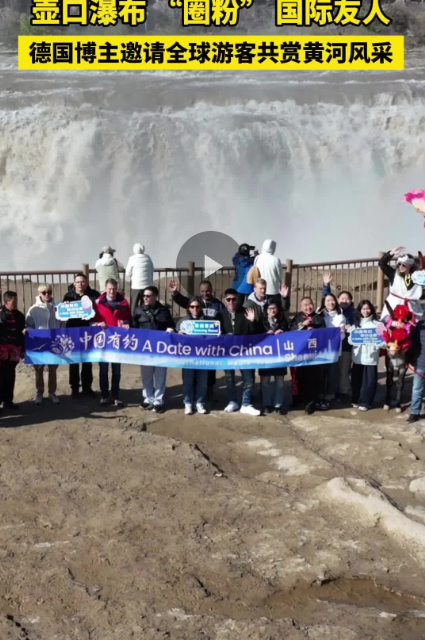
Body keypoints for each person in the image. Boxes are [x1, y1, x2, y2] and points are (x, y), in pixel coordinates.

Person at [168, 279, 224, 393]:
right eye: (202, 291)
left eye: (207, 291)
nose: (205, 293)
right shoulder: (196, 302)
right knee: (192, 366)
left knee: (210, 366)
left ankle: (209, 389)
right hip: (194, 341)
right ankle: (193, 389)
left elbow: (223, 320)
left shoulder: (218, 305)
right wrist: (175, 292)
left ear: (211, 290)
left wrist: (221, 332)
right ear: (199, 291)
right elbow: (183, 301)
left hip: (209, 342)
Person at [218, 288, 261, 416]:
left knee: (248, 379)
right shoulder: (220, 315)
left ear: (237, 299)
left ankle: (246, 403)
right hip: (227, 352)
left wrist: (253, 321)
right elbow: (215, 333)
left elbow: (254, 333)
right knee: (229, 378)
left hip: (244, 352)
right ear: (225, 300)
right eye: (229, 299)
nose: (231, 302)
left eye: (234, 299)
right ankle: (233, 401)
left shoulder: (245, 312)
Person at [133, 285, 175, 413]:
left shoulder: (164, 310)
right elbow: (134, 327)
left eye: (148, 296)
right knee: (146, 375)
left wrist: (171, 329)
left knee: (160, 375)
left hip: (161, 349)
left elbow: (171, 325)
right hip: (145, 349)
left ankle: (158, 401)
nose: (145, 298)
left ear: (155, 297)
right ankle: (148, 399)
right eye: (144, 296)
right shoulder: (138, 310)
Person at [93, 278, 131, 407]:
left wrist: (125, 323)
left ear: (117, 289)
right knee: (103, 370)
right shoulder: (98, 303)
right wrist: (98, 323)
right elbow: (91, 320)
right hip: (102, 342)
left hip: (117, 342)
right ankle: (104, 395)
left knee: (116, 370)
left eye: (114, 289)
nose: (112, 291)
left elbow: (128, 319)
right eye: (109, 289)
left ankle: (115, 396)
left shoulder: (124, 303)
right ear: (105, 288)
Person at [63, 272, 100, 399]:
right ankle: (74, 388)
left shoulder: (94, 295)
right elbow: (64, 315)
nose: (80, 284)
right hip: (73, 331)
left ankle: (87, 387)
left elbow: (99, 311)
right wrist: (65, 308)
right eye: (78, 282)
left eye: (83, 282)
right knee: (73, 361)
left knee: (87, 361)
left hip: (88, 332)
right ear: (74, 283)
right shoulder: (68, 296)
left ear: (86, 282)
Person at [26, 284, 61, 405]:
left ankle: (52, 393)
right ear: (39, 294)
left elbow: (63, 323)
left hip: (54, 342)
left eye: (49, 292)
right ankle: (39, 393)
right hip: (39, 343)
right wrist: (29, 331)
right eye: (44, 292)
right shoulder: (33, 309)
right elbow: (29, 324)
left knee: (53, 369)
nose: (47, 295)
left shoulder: (58, 307)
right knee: (39, 369)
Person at [322, 273, 355, 403]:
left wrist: (350, 328)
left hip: (345, 346)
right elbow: (326, 299)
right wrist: (326, 285)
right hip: (331, 347)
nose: (344, 301)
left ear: (351, 300)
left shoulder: (354, 313)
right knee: (332, 370)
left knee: (343, 370)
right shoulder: (332, 312)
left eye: (347, 299)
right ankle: (333, 390)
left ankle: (344, 392)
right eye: (341, 298)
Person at [290, 297, 326, 414]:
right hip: (299, 354)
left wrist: (314, 329)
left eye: (310, 304)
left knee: (311, 379)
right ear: (301, 307)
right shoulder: (297, 317)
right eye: (305, 305)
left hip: (313, 355)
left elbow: (324, 333)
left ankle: (310, 404)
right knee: (298, 378)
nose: (308, 307)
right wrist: (302, 325)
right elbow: (291, 331)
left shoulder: (318, 317)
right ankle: (298, 399)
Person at [176, 297, 209, 415]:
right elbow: (176, 336)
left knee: (203, 382)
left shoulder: (208, 321)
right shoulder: (183, 322)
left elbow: (213, 337)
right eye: (192, 307)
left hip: (203, 356)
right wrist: (178, 333)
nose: (195, 309)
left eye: (197, 307)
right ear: (188, 308)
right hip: (188, 357)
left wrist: (217, 334)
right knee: (188, 381)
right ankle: (188, 403)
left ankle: (199, 402)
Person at [348, 300, 381, 412]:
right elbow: (350, 340)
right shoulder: (356, 324)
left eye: (368, 308)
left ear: (371, 309)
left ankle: (365, 402)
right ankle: (356, 400)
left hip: (371, 358)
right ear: (359, 310)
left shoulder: (377, 324)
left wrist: (379, 343)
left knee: (369, 382)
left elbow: (384, 342)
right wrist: (352, 339)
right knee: (356, 381)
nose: (366, 311)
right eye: (363, 309)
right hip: (358, 358)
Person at [316, 293, 346, 410]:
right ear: (324, 303)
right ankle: (319, 396)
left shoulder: (340, 317)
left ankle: (328, 398)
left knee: (331, 374)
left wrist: (341, 333)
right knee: (320, 375)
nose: (330, 303)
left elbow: (342, 336)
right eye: (327, 300)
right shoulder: (320, 315)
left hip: (333, 351)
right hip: (320, 351)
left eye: (332, 300)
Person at [379, 247, 423, 324]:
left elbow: (420, 293)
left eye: (404, 265)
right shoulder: (393, 274)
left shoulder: (417, 277)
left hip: (411, 308)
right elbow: (382, 264)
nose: (401, 266)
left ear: (410, 266)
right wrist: (390, 253)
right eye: (399, 264)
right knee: (390, 325)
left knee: (415, 327)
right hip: (394, 307)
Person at [260, 301, 289, 415]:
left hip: (279, 356)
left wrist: (283, 332)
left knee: (280, 382)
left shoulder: (283, 321)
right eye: (270, 308)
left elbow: (291, 335)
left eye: (274, 308)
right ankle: (267, 404)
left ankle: (278, 405)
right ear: (266, 310)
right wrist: (265, 333)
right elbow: (255, 334)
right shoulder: (261, 322)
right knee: (265, 382)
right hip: (265, 356)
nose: (272, 310)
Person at [0, 292, 25, 411]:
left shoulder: (20, 316)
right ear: (6, 302)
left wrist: (22, 349)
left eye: (16, 301)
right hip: (2, 349)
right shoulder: (0, 314)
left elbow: (22, 333)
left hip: (14, 349)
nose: (15, 304)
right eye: (13, 302)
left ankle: (8, 401)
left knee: (10, 375)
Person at [125, 243, 154, 315]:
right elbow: (152, 270)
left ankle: (133, 319)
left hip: (136, 286)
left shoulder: (132, 258)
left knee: (134, 305)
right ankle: (144, 319)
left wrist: (133, 276)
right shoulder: (148, 257)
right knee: (145, 304)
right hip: (147, 286)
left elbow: (128, 273)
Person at [407, 313, 425, 423]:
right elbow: (413, 343)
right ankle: (414, 413)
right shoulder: (419, 326)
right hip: (421, 362)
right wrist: (410, 359)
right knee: (417, 389)